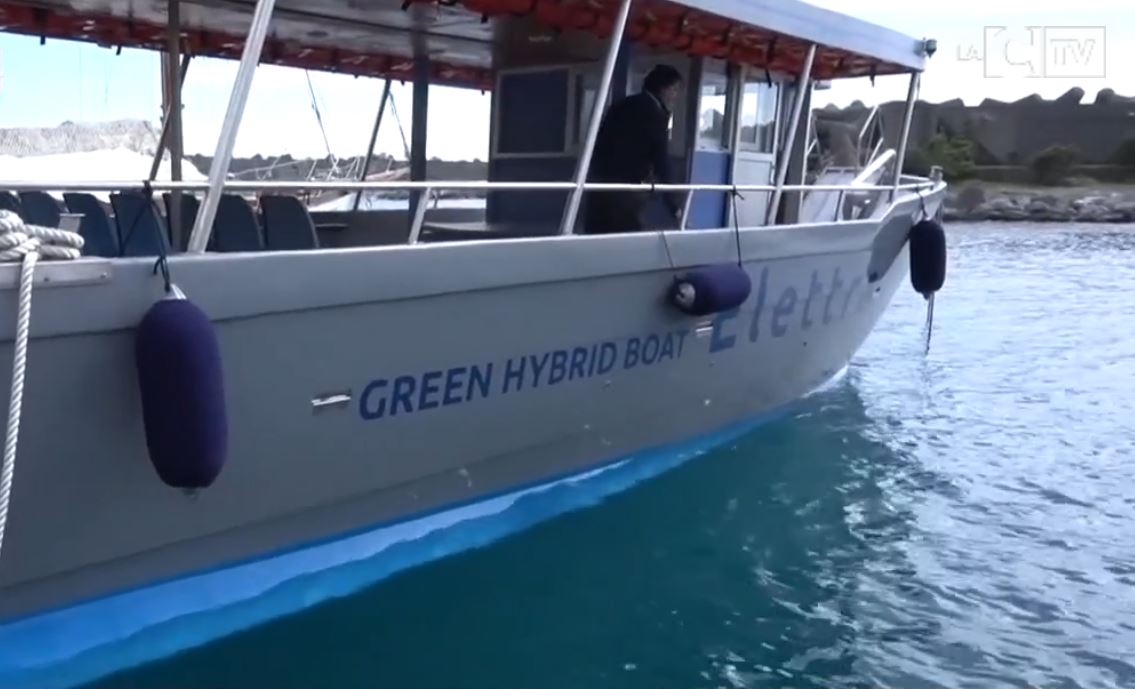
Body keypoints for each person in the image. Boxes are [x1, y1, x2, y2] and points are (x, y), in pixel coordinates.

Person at [583, 65, 683, 234]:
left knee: (596, 239)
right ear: (663, 89)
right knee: (627, 241)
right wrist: (674, 205)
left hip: (600, 186)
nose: (675, 96)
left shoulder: (619, 106)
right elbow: (661, 161)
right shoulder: (655, 114)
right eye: (674, 90)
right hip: (626, 191)